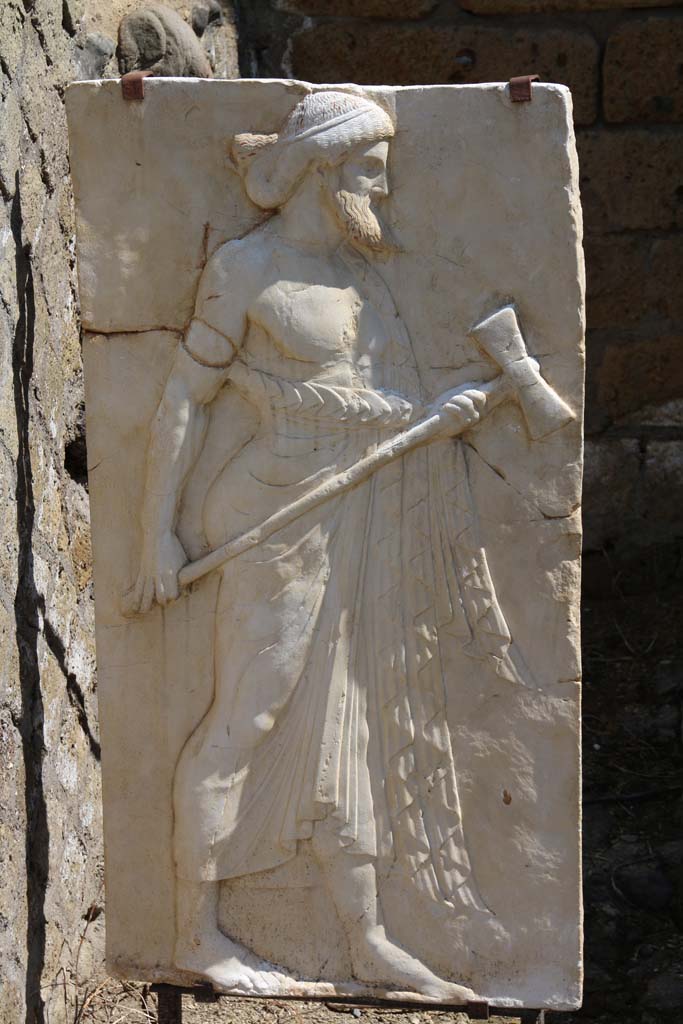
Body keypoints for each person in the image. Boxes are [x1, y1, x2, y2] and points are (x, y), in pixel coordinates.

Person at [129, 90, 525, 998]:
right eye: (368, 174)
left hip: (355, 507)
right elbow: (185, 398)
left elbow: (370, 401)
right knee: (248, 715)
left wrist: (439, 415)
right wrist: (154, 530)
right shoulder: (245, 267)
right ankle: (193, 931)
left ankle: (364, 936)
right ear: (320, 168)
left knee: (350, 713)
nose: (380, 194)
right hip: (273, 514)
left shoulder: (361, 279)